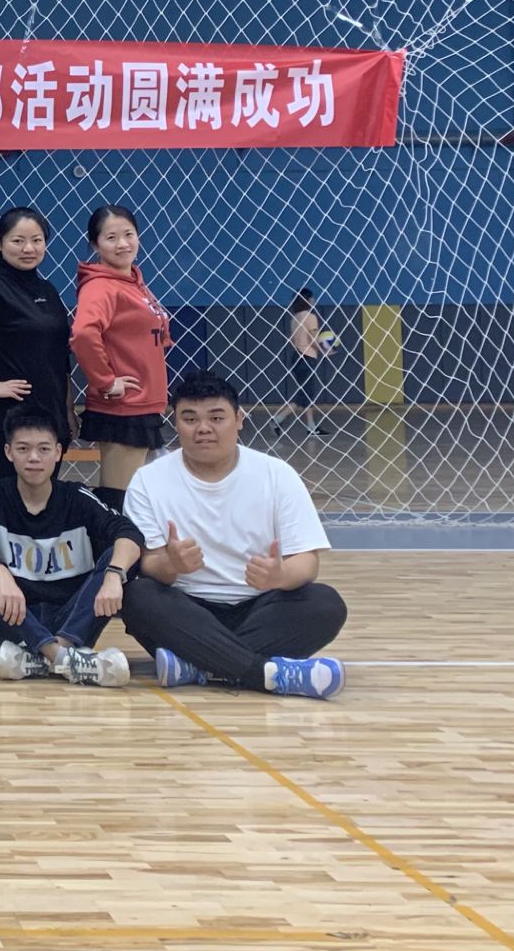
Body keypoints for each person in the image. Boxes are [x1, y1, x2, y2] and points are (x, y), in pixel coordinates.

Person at [121, 369, 347, 699]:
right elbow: (150, 564)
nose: (203, 428)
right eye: (190, 418)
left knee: (325, 604)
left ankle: (199, 665)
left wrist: (281, 575)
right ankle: (263, 674)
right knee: (138, 596)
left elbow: (307, 562)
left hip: (259, 608)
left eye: (216, 418)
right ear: (175, 422)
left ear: (239, 419)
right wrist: (171, 564)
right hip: (187, 612)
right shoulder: (148, 480)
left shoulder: (276, 474)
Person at [0, 406, 142, 687]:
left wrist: (115, 575)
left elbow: (128, 532)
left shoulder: (76, 496)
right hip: (14, 621)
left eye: (43, 449)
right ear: (8, 452)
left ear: (58, 452)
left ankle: (47, 653)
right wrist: (2, 574)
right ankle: (65, 659)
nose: (34, 457)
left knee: (122, 556)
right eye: (23, 449)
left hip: (71, 623)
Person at [70, 205, 173, 512]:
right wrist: (106, 381)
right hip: (123, 409)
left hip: (144, 405)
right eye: (111, 237)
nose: (123, 244)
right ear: (95, 244)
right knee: (120, 503)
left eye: (129, 234)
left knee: (144, 504)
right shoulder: (100, 286)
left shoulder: (132, 282)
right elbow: (83, 334)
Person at [0, 206, 73, 477]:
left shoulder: (48, 290)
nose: (28, 248)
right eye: (18, 241)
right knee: (7, 496)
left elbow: (61, 355)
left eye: (36, 240)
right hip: (8, 422)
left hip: (51, 417)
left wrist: (68, 410)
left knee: (46, 496)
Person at [278, 288, 332, 436]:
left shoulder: (294, 318)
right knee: (306, 394)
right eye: (312, 298)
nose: (314, 300)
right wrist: (326, 350)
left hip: (296, 357)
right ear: (307, 300)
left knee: (306, 394)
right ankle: (278, 419)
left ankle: (310, 425)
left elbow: (293, 340)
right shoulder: (311, 317)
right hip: (307, 358)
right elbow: (313, 339)